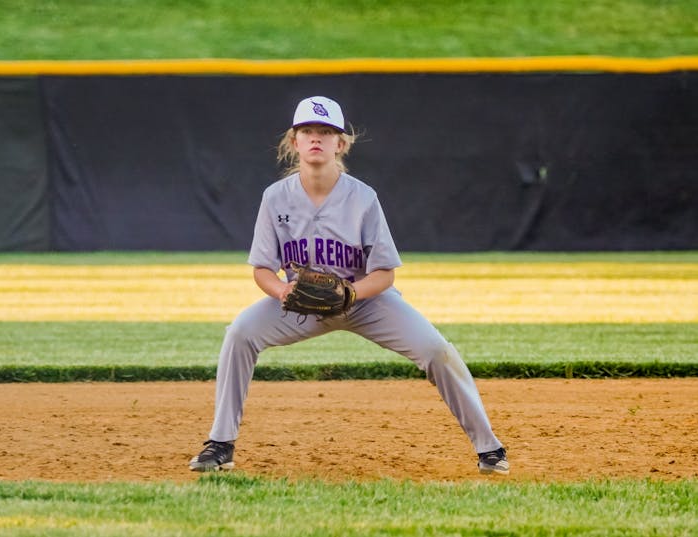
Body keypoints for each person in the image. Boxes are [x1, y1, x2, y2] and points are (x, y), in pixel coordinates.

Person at [189, 96, 509, 476]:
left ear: (341, 144)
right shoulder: (275, 198)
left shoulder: (362, 198)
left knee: (436, 350)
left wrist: (351, 293)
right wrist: (281, 292)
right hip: (300, 305)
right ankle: (221, 444)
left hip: (366, 303)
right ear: (294, 141)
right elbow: (261, 268)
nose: (316, 139)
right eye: (308, 131)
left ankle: (489, 447)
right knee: (240, 333)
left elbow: (385, 274)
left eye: (327, 132)